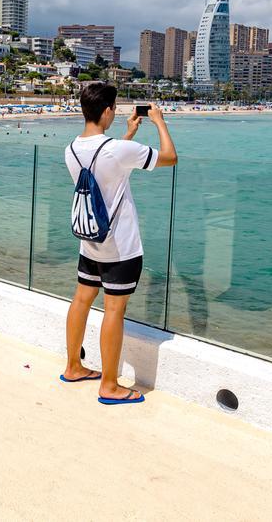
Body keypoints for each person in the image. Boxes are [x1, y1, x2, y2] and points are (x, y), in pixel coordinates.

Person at [61, 84, 177, 405]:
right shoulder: (115, 150)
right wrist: (159, 122)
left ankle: (73, 366)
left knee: (82, 300)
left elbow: (106, 165)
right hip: (120, 247)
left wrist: (127, 135)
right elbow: (170, 157)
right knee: (114, 309)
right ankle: (109, 385)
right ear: (108, 110)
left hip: (89, 243)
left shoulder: (71, 149)